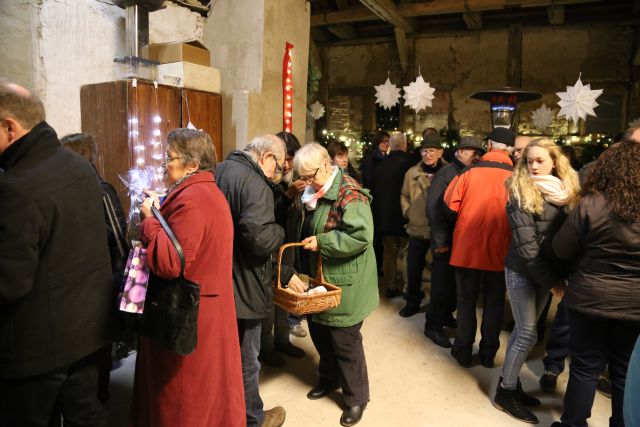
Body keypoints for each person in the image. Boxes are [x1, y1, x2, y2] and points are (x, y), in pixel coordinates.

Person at [0, 80, 115, 426]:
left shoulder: (18, 185)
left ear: (9, 127)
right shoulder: (78, 166)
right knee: (86, 413)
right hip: (86, 328)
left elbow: (10, 282)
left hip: (37, 345)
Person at [130, 128, 245, 426]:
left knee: (184, 399)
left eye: (170, 158)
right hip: (205, 307)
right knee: (206, 394)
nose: (164, 164)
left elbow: (169, 262)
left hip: (189, 314)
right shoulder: (202, 191)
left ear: (192, 165)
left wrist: (149, 222)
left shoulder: (192, 199)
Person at [550, 133, 640, 427]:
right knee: (625, 370)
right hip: (635, 303)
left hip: (589, 297)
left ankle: (573, 423)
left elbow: (561, 248)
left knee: (585, 368)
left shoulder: (590, 204)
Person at [492, 138, 580, 424]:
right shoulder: (520, 191)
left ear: (555, 161)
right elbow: (528, 249)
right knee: (528, 332)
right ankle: (505, 392)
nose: (533, 166)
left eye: (540, 160)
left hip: (547, 272)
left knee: (524, 331)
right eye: (529, 161)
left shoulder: (565, 192)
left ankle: (511, 381)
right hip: (522, 270)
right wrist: (555, 282)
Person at [293, 143, 379, 427]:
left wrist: (323, 241)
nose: (306, 183)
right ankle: (329, 379)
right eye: (302, 177)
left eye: (309, 177)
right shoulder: (314, 190)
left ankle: (357, 398)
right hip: (321, 276)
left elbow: (360, 236)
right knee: (320, 331)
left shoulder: (350, 194)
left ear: (327, 166)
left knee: (345, 340)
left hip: (346, 279)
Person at [215, 134, 289, 427]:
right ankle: (251, 419)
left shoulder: (218, 169)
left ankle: (227, 413)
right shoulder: (256, 183)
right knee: (248, 359)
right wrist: (280, 231)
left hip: (220, 280)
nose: (276, 175)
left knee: (224, 356)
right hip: (245, 282)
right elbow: (259, 239)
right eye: (278, 167)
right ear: (267, 157)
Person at [61, 132, 129, 403]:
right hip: (103, 275)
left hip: (73, 280)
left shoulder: (57, 189)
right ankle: (100, 396)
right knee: (100, 341)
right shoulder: (100, 189)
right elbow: (117, 233)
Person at [444, 127, 516, 368]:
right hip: (501, 251)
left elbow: (449, 205)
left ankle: (463, 351)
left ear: (489, 146)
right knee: (495, 304)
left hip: (467, 249)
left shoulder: (468, 173)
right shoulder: (516, 177)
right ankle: (488, 354)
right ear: (510, 150)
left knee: (465, 302)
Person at [424, 136, 484, 347]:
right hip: (446, 239)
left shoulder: (469, 172)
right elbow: (433, 209)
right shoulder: (446, 173)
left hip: (460, 239)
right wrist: (440, 241)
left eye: (479, 152)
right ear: (459, 152)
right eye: (471, 151)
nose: (476, 155)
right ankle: (432, 326)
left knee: (452, 284)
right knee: (441, 285)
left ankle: (446, 315)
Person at [259, 131, 306, 368]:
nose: (287, 163)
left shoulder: (294, 177)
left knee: (285, 295)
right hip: (269, 247)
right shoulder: (266, 179)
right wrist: (288, 195)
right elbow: (268, 215)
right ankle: (266, 346)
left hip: (289, 245)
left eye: (292, 157)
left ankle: (283, 339)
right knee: (269, 296)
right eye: (285, 157)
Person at [398, 133, 446, 317]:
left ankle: (438, 306)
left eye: (432, 151)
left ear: (440, 152)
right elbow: (404, 195)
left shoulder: (448, 172)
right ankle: (412, 302)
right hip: (417, 228)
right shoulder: (412, 173)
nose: (428, 154)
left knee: (440, 272)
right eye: (424, 151)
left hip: (439, 231)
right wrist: (408, 212)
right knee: (413, 269)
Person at [372, 132, 410, 299]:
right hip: (404, 217)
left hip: (385, 217)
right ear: (405, 146)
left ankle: (390, 285)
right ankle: (409, 287)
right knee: (408, 252)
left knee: (389, 252)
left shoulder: (380, 166)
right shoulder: (410, 165)